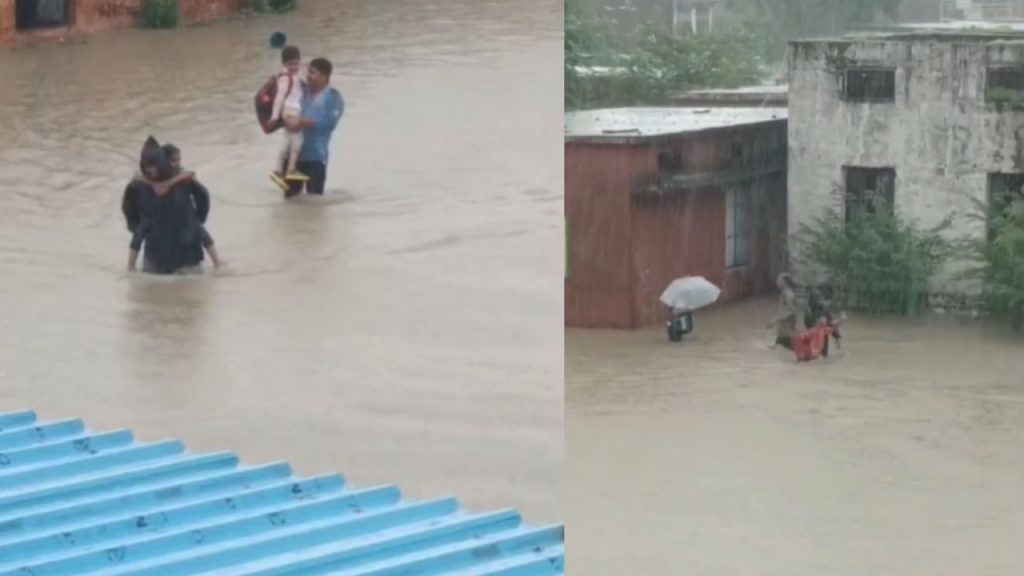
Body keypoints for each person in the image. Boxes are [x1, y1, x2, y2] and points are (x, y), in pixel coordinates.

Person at [122, 137, 208, 274]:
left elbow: (130, 210)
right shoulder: (184, 180)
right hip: (183, 256)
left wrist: (133, 225)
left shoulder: (139, 185)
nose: (152, 171)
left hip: (160, 261)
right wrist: (198, 218)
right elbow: (203, 197)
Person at [281, 57, 345, 198]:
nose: (308, 76)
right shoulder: (300, 90)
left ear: (325, 77)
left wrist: (301, 122)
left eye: (312, 73)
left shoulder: (333, 98)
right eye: (308, 71)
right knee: (289, 201)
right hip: (293, 158)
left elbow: (329, 123)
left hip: (316, 158)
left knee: (314, 203)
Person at [162, 143, 223, 269]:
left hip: (182, 221)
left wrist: (198, 217)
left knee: (200, 230)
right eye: (173, 160)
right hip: (178, 226)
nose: (177, 164)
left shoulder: (185, 178)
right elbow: (203, 195)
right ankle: (218, 264)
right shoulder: (181, 177)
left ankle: (218, 263)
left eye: (178, 160)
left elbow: (203, 194)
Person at [269, 45, 308, 189]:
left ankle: (278, 171)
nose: (294, 67)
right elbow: (279, 98)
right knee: (297, 141)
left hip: (290, 109)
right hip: (292, 110)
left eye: (296, 64)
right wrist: (274, 116)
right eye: (290, 64)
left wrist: (303, 65)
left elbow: (302, 69)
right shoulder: (285, 78)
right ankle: (291, 169)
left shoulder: (291, 74)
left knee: (287, 141)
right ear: (284, 63)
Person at [769, 273, 801, 350]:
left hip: (787, 324)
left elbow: (792, 310)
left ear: (784, 282)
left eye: (779, 280)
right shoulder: (784, 294)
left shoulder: (789, 295)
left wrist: (776, 320)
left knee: (785, 346)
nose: (777, 282)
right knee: (780, 346)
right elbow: (784, 309)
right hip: (784, 324)